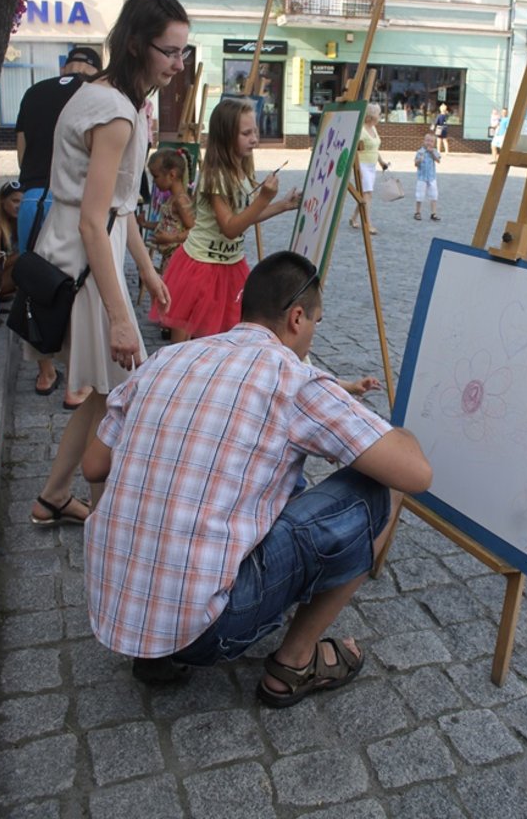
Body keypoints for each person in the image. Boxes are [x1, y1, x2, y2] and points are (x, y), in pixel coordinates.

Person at [82, 250, 433, 701]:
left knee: (261, 479)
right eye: (317, 323)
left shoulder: (166, 359)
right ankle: (296, 661)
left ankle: (156, 653)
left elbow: (93, 465)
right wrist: (399, 432)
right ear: (298, 319)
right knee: (383, 488)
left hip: (112, 607)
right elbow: (416, 473)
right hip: (208, 630)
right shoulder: (293, 378)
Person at [29, 0, 186, 527]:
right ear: (139, 45)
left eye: (183, 52)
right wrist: (122, 317)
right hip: (83, 263)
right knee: (121, 392)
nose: (178, 64)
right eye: (170, 52)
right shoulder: (116, 111)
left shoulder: (113, 96)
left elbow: (118, 208)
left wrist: (144, 268)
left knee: (102, 394)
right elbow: (94, 220)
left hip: (93, 254)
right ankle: (107, 516)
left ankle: (53, 497)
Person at [150, 97, 299, 344]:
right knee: (186, 329)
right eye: (246, 133)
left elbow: (244, 217)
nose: (254, 138)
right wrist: (263, 198)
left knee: (224, 334)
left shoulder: (240, 170)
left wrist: (282, 205)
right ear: (226, 136)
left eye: (255, 130)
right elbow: (231, 228)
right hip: (202, 264)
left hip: (230, 264)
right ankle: (181, 372)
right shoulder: (216, 176)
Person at [15, 46, 102, 405]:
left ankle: (45, 373)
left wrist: (34, 181)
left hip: (33, 198)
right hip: (72, 203)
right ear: (95, 68)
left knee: (34, 286)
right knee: (77, 289)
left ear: (64, 65)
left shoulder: (34, 91)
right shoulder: (95, 93)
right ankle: (76, 383)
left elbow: (21, 149)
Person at [144, 147, 195, 272]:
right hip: (169, 257)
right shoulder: (171, 199)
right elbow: (167, 224)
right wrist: (145, 224)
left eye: (156, 176)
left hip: (178, 259)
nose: (154, 182)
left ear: (172, 175)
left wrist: (171, 239)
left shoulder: (181, 201)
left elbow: (194, 229)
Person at [349, 102, 389, 235]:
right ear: (370, 117)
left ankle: (354, 218)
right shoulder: (361, 131)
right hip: (362, 166)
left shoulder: (374, 129)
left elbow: (375, 149)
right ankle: (367, 224)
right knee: (368, 194)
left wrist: (382, 162)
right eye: (378, 114)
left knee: (363, 195)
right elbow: (353, 149)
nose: (380, 116)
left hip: (372, 166)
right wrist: (356, 169)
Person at [0, 180, 22, 300]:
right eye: (15, 201)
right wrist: (22, 253)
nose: (18, 206)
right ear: (2, 200)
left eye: (22, 202)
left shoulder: (12, 219)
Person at [413, 133, 442, 222]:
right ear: (424, 141)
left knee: (434, 194)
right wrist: (419, 160)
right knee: (420, 195)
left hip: (432, 177)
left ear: (434, 143)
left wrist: (432, 152)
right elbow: (415, 164)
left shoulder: (434, 151)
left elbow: (438, 160)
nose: (429, 143)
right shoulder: (420, 151)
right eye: (427, 140)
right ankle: (417, 212)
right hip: (422, 177)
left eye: (431, 141)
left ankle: (433, 213)